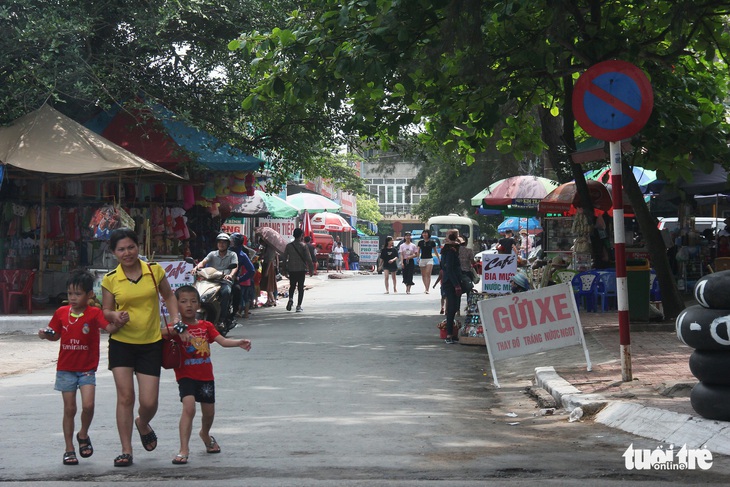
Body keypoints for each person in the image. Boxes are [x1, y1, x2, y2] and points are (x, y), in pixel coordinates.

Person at [102, 228, 180, 467]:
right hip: (121, 344)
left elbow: (169, 296)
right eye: (121, 249)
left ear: (139, 247)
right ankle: (126, 450)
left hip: (150, 343)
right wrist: (115, 315)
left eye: (131, 247)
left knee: (149, 402)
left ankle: (143, 422)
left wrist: (176, 319)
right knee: (125, 397)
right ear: (114, 253)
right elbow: (105, 311)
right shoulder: (110, 279)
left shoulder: (153, 271)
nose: (127, 253)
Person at [39, 270, 122, 466]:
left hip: (87, 369)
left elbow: (109, 328)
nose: (73, 298)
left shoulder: (95, 313)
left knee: (88, 405)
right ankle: (69, 449)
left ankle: (83, 433)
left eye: (78, 294)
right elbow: (55, 335)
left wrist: (121, 321)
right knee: (69, 408)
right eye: (70, 294)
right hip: (65, 369)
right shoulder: (60, 313)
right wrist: (45, 334)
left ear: (89, 295)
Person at [163, 286, 251, 465]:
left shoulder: (206, 326)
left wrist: (238, 343)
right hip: (185, 376)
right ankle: (184, 449)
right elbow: (161, 333)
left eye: (193, 301)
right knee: (189, 408)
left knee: (209, 413)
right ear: (176, 305)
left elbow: (222, 341)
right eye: (183, 301)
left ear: (199, 305)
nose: (189, 305)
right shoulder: (175, 327)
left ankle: (204, 433)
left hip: (206, 377)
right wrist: (178, 328)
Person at [282, 228, 315, 312]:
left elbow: (284, 258)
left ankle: (290, 299)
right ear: (301, 236)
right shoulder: (303, 246)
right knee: (300, 287)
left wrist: (284, 270)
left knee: (292, 286)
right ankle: (298, 306)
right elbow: (308, 258)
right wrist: (311, 269)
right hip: (301, 269)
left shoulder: (289, 246)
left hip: (292, 269)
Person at [440, 230, 462, 344]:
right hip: (451, 282)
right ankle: (449, 334)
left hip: (450, 281)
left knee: (453, 308)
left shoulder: (445, 252)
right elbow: (449, 269)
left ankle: (451, 333)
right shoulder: (450, 252)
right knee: (452, 308)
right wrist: (456, 285)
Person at [231, 233, 256, 319]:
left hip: (231, 280)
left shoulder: (241, 254)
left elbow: (252, 270)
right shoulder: (221, 252)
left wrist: (240, 279)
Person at [258, 236, 279, 306]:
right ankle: (269, 300)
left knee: (268, 284)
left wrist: (267, 271)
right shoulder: (267, 248)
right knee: (267, 284)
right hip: (266, 265)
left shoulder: (270, 248)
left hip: (269, 267)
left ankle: (272, 300)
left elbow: (270, 260)